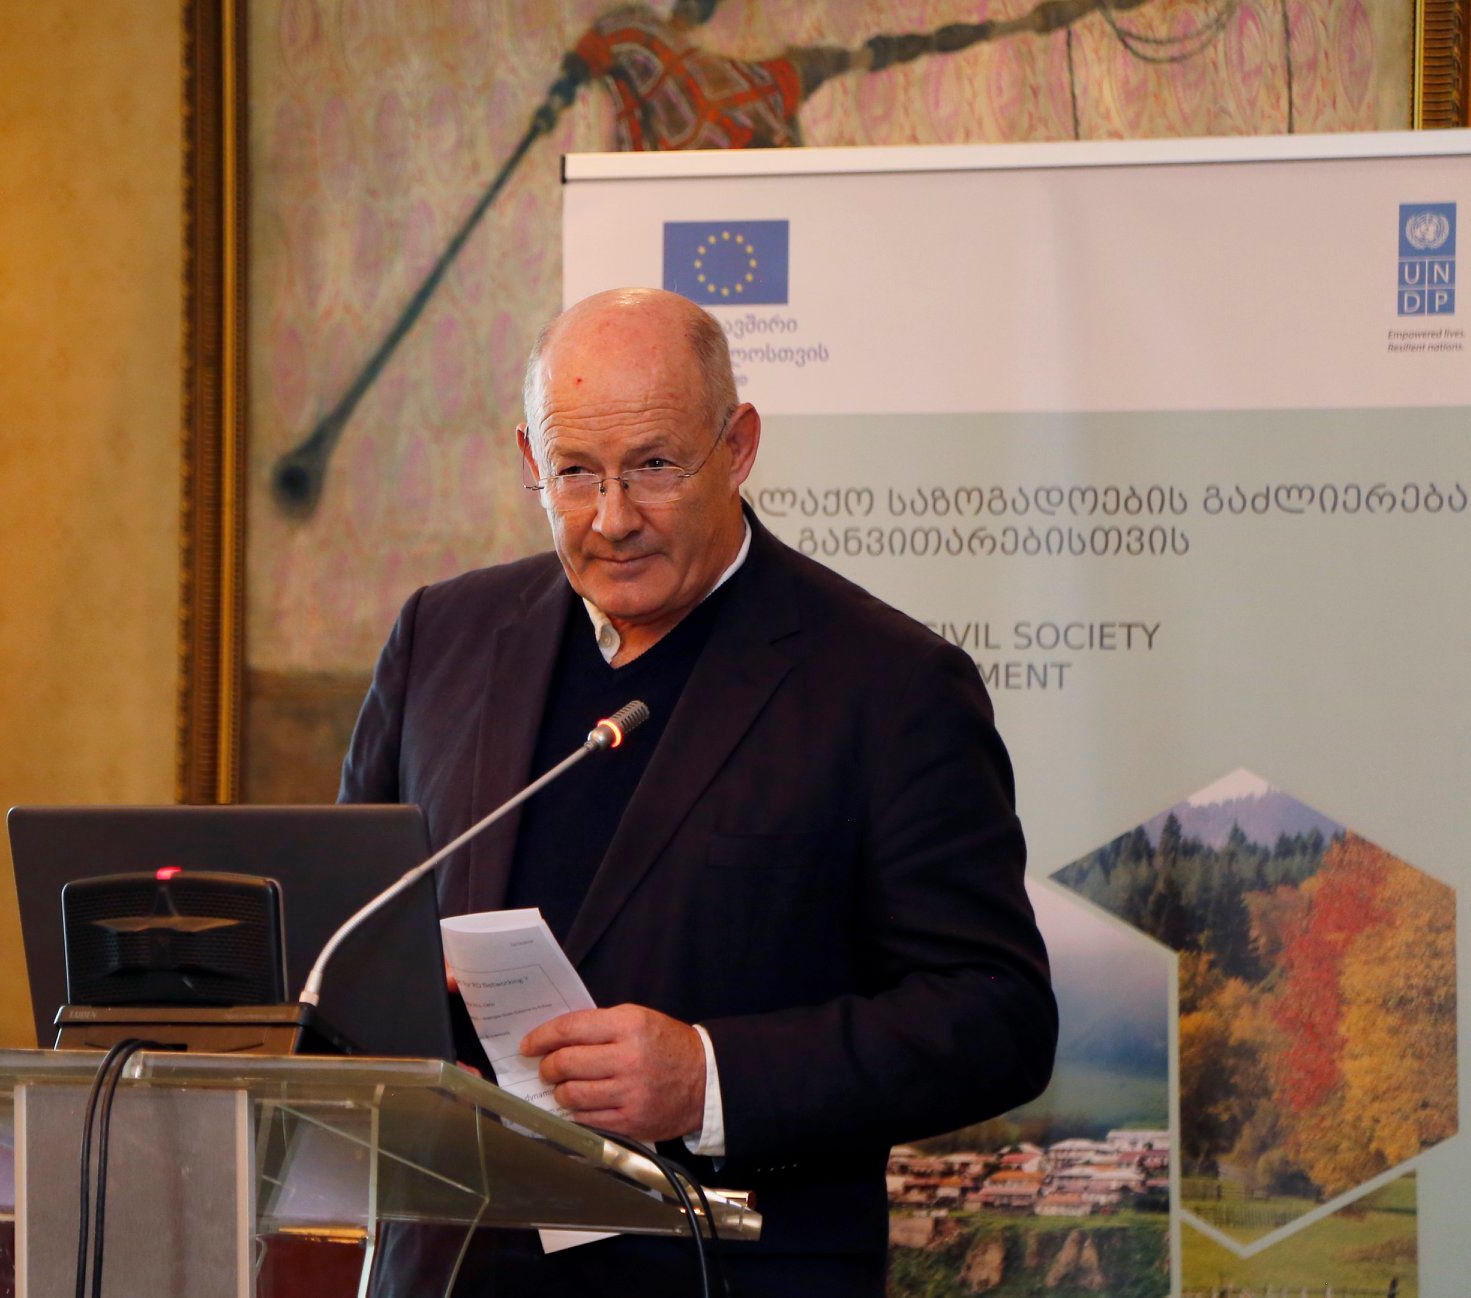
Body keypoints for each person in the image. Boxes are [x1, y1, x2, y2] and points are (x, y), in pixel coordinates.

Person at [339, 287, 1056, 1296]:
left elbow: (995, 1018)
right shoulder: (441, 638)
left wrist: (708, 1076)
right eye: (575, 472)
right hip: (452, 1264)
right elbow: (351, 931)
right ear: (530, 459)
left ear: (739, 446)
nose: (613, 518)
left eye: (654, 466)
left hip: (725, 1268)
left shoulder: (888, 685)